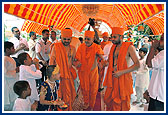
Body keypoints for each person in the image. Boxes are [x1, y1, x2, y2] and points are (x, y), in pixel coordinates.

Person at [103, 27, 140, 111]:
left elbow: (137, 65)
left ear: (121, 37)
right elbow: (110, 61)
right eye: (112, 36)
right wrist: (105, 63)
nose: (112, 39)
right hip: (113, 78)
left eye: (114, 37)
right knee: (108, 99)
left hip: (123, 79)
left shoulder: (129, 47)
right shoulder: (113, 47)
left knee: (122, 104)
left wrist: (122, 72)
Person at [75, 30, 105, 110]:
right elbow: (77, 58)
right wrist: (77, 62)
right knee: (84, 89)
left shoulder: (96, 47)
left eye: (88, 39)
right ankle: (86, 102)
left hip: (93, 73)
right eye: (86, 39)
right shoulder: (81, 47)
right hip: (83, 72)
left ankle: (91, 105)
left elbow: (101, 56)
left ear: (93, 39)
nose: (86, 41)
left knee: (93, 90)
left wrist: (102, 61)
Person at [49, 28, 76, 110]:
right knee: (59, 94)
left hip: (69, 75)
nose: (66, 41)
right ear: (61, 37)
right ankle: (59, 110)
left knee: (70, 93)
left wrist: (77, 63)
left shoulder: (73, 48)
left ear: (71, 39)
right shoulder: (56, 47)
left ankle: (68, 108)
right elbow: (51, 60)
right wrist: (51, 75)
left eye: (68, 39)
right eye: (64, 39)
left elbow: (73, 60)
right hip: (58, 75)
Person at [146, 33, 164, 111]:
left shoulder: (164, 54)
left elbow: (149, 63)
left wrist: (153, 47)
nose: (159, 41)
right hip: (158, 95)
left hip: (159, 97)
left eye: (162, 39)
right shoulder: (162, 53)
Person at [4, 41, 19, 111]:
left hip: (13, 81)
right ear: (7, 50)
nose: (14, 49)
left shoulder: (11, 58)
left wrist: (16, 71)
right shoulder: (4, 59)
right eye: (12, 48)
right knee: (9, 99)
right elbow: (4, 72)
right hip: (7, 82)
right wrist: (15, 71)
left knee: (13, 98)